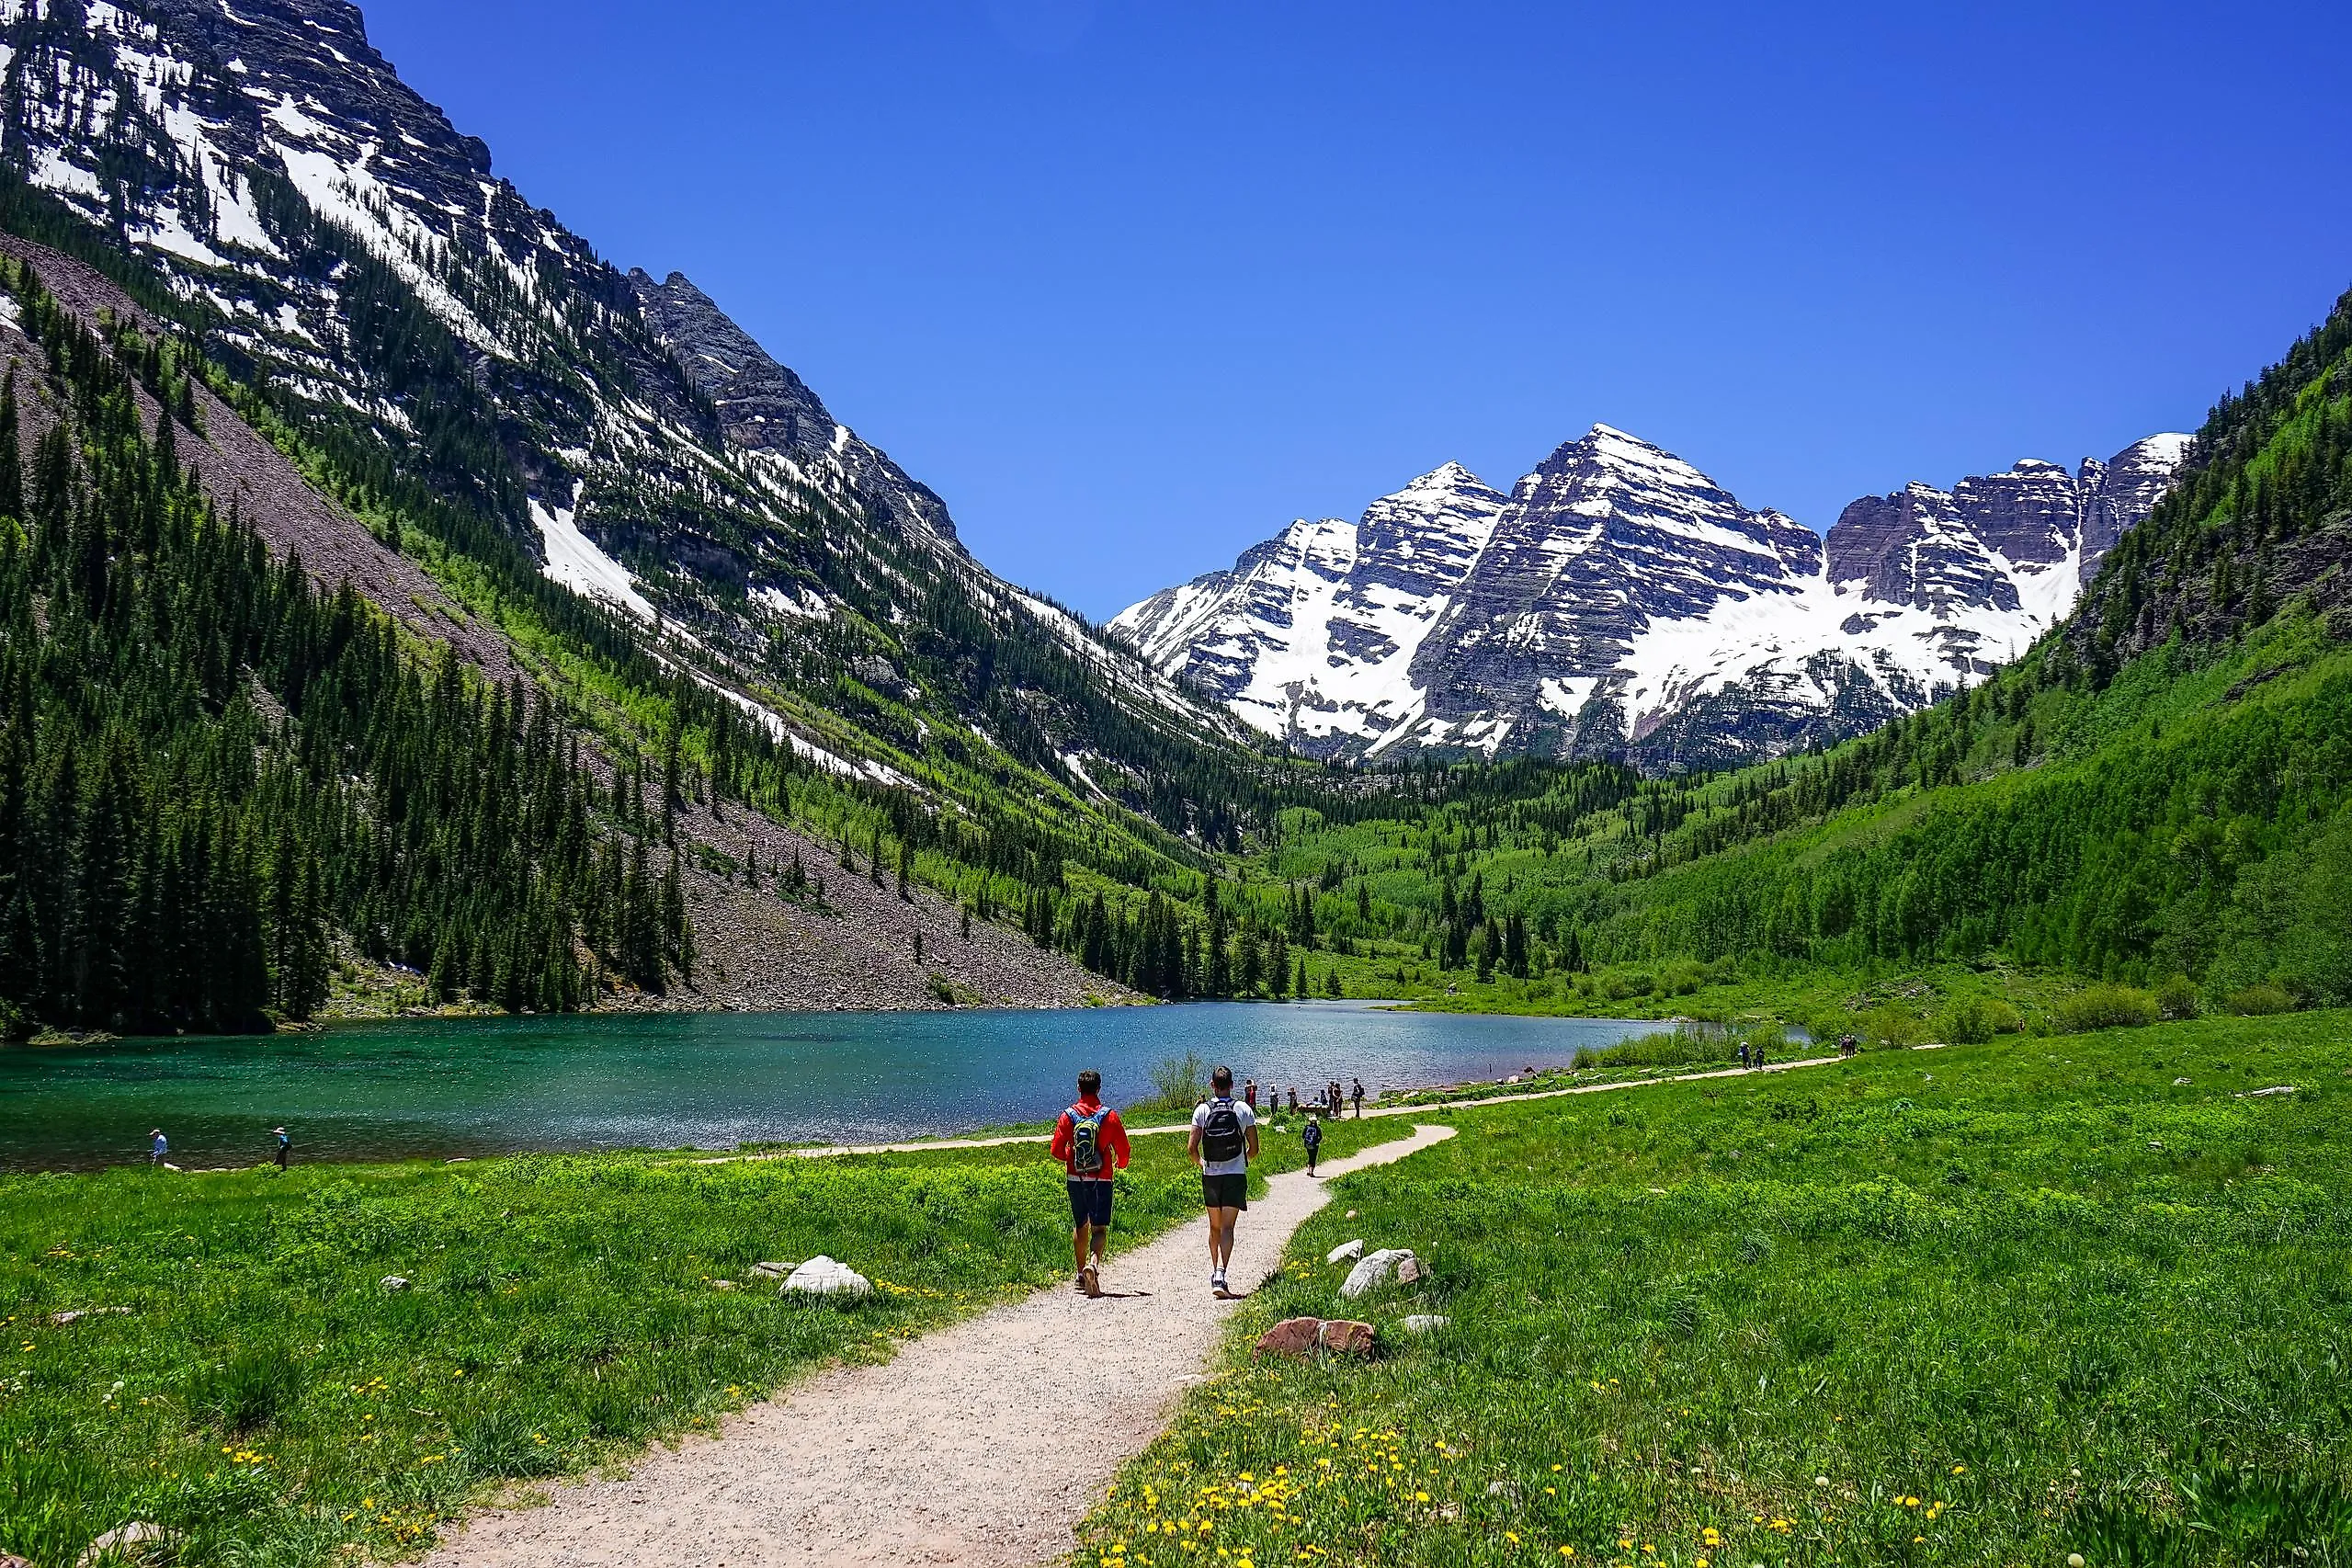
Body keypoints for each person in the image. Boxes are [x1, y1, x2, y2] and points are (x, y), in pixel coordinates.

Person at [1051, 1070, 1131, 1297]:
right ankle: (1093, 1264)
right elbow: (1124, 1151)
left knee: (1080, 1224)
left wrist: (1073, 1156)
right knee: (1099, 1228)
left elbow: (1056, 1150)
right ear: (1099, 1088)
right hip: (1101, 1178)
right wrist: (1119, 1164)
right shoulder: (1109, 1116)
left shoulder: (1068, 1116)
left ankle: (1079, 1275)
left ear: (1078, 1088)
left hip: (1075, 1177)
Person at [1187, 1065, 1259, 1298]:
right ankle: (1221, 1274)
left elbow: (1191, 1149)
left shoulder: (1202, 1110)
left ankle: (1214, 1271)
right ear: (1232, 1085)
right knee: (1229, 1228)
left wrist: (1202, 1163)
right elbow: (1254, 1148)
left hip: (1211, 1176)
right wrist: (1241, 1161)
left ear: (1212, 1085)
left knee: (1215, 1227)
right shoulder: (1243, 1109)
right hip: (1235, 1176)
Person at [1301, 1111, 1323, 1177]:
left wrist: (1306, 1141)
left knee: (1310, 1157)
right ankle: (1311, 1172)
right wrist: (1317, 1142)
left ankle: (1309, 1171)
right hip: (1315, 1145)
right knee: (1313, 1158)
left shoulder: (1307, 1127)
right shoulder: (1318, 1128)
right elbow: (1321, 1137)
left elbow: (1303, 1135)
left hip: (1308, 1145)